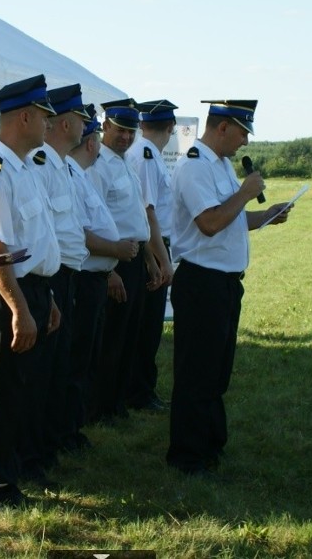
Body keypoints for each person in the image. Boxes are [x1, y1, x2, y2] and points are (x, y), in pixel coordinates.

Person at [166, 99, 292, 475]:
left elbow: (231, 219)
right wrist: (245, 193)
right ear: (222, 128)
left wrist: (266, 215)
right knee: (196, 372)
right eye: (242, 133)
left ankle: (209, 444)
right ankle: (187, 455)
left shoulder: (219, 166)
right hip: (201, 282)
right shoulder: (193, 166)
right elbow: (208, 222)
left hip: (223, 283)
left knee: (217, 371)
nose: (246, 143)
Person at [0, 74, 61, 511]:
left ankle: (16, 467)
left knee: (26, 387)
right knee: (2, 390)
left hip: (32, 289)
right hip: (5, 293)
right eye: (43, 117)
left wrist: (47, 298)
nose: (47, 126)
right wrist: (20, 310)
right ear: (24, 117)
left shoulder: (23, 168)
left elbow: (36, 243)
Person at [21, 83, 89, 479]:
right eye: (80, 118)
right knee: (40, 373)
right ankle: (35, 450)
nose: (86, 125)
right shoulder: (41, 163)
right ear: (64, 123)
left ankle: (48, 443)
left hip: (64, 276)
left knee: (58, 368)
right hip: (48, 275)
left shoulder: (61, 164)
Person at [64, 104, 136, 450]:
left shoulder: (78, 174)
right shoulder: (75, 174)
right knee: (77, 360)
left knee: (87, 357)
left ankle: (73, 426)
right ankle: (67, 430)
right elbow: (81, 233)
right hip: (85, 276)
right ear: (92, 142)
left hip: (97, 274)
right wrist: (114, 255)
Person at [86, 98, 161, 423]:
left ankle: (117, 402)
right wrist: (110, 272)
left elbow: (135, 217)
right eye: (120, 131)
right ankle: (101, 407)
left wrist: (150, 257)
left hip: (133, 257)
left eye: (131, 132)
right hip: (112, 261)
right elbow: (96, 222)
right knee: (111, 340)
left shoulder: (127, 162)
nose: (126, 138)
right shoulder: (97, 166)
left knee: (129, 335)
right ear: (105, 127)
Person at [124, 100, 178, 412]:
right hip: (152, 248)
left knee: (148, 325)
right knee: (146, 327)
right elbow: (148, 213)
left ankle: (142, 390)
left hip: (153, 246)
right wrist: (162, 259)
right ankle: (139, 393)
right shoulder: (146, 156)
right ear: (171, 128)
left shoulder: (148, 154)